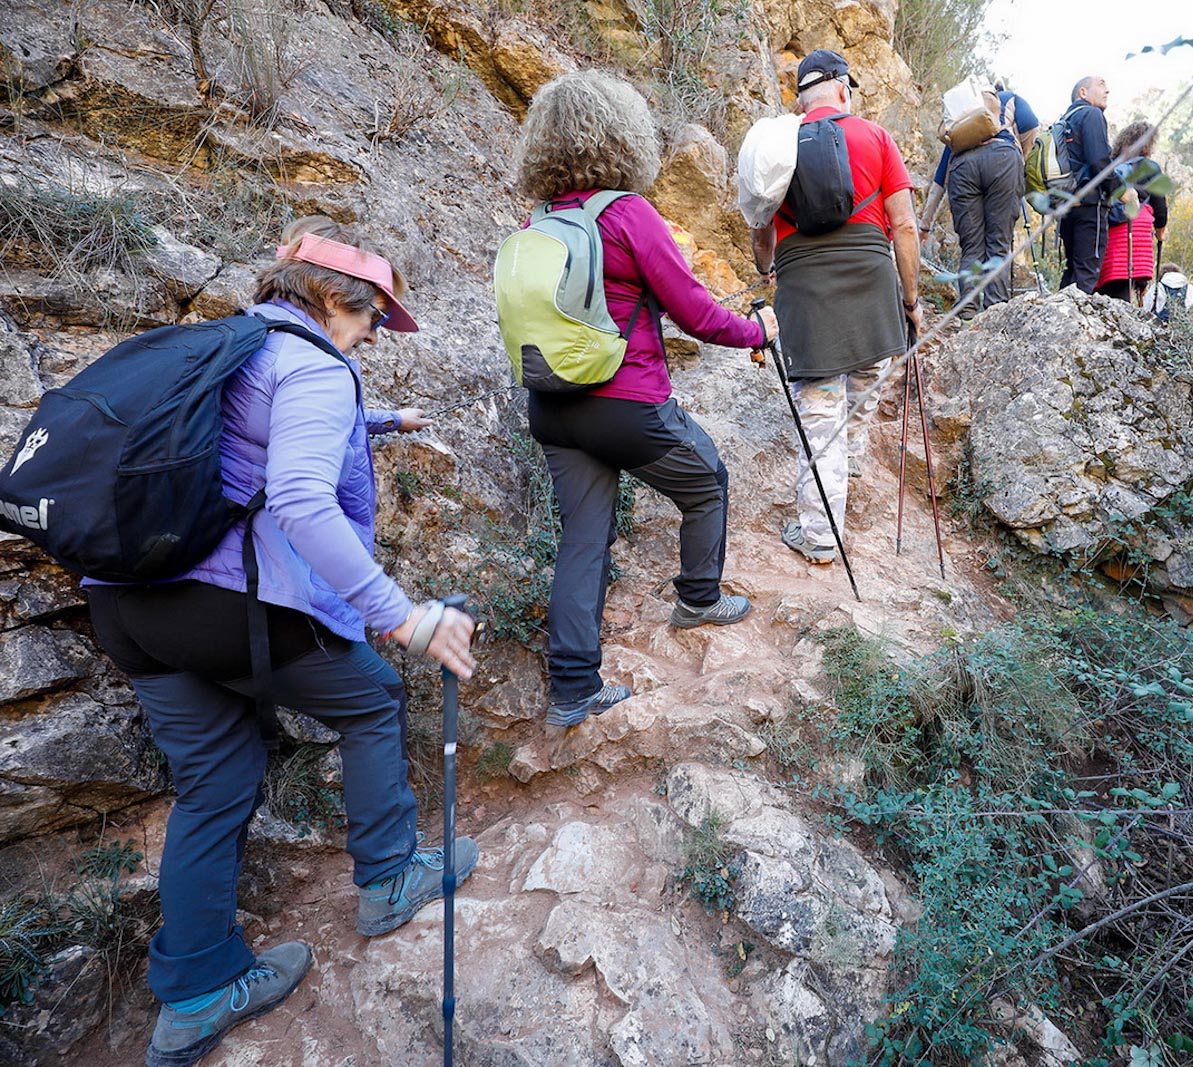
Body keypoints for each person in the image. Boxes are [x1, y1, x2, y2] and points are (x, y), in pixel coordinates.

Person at [85, 215, 481, 1067]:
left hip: (129, 606)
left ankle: (192, 997)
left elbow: (250, 427)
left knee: (218, 776)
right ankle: (387, 878)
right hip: (229, 603)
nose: (374, 333)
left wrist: (380, 420)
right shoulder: (317, 367)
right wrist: (402, 616)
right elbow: (301, 499)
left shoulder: (228, 344)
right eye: (373, 316)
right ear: (335, 299)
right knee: (375, 695)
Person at [508, 71, 776, 727]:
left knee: (583, 540)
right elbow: (695, 312)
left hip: (552, 405)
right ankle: (698, 598)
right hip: (626, 403)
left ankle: (572, 689)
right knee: (706, 480)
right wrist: (757, 331)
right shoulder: (629, 215)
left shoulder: (540, 221)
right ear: (622, 138)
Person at [751, 48, 922, 565]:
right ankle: (844, 478)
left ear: (800, 99)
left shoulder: (776, 146)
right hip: (873, 295)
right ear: (844, 90)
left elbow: (761, 235)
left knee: (822, 415)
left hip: (808, 299)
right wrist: (910, 300)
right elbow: (906, 228)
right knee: (864, 387)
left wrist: (767, 273)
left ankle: (821, 531)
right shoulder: (877, 137)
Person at [917, 78, 1039, 314]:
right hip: (1003, 159)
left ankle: (968, 313)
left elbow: (940, 179)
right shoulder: (1011, 98)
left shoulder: (962, 125)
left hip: (962, 167)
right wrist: (1020, 157)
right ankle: (995, 312)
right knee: (998, 244)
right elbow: (1031, 125)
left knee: (971, 246)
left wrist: (925, 223)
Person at [1095, 122, 1168, 304]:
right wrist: (1160, 233)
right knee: (1127, 291)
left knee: (1110, 289)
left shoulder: (1110, 167)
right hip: (1136, 235)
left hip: (1108, 232)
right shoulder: (1150, 167)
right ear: (1147, 144)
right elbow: (1160, 210)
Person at [1056, 74, 1113, 293]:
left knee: (1072, 269)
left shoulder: (1065, 119)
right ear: (1083, 93)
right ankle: (1074, 325)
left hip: (1067, 203)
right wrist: (1120, 190)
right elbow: (1099, 161)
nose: (1107, 90)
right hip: (1090, 203)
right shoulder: (1091, 114)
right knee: (1087, 270)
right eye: (1102, 84)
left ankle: (1058, 318)